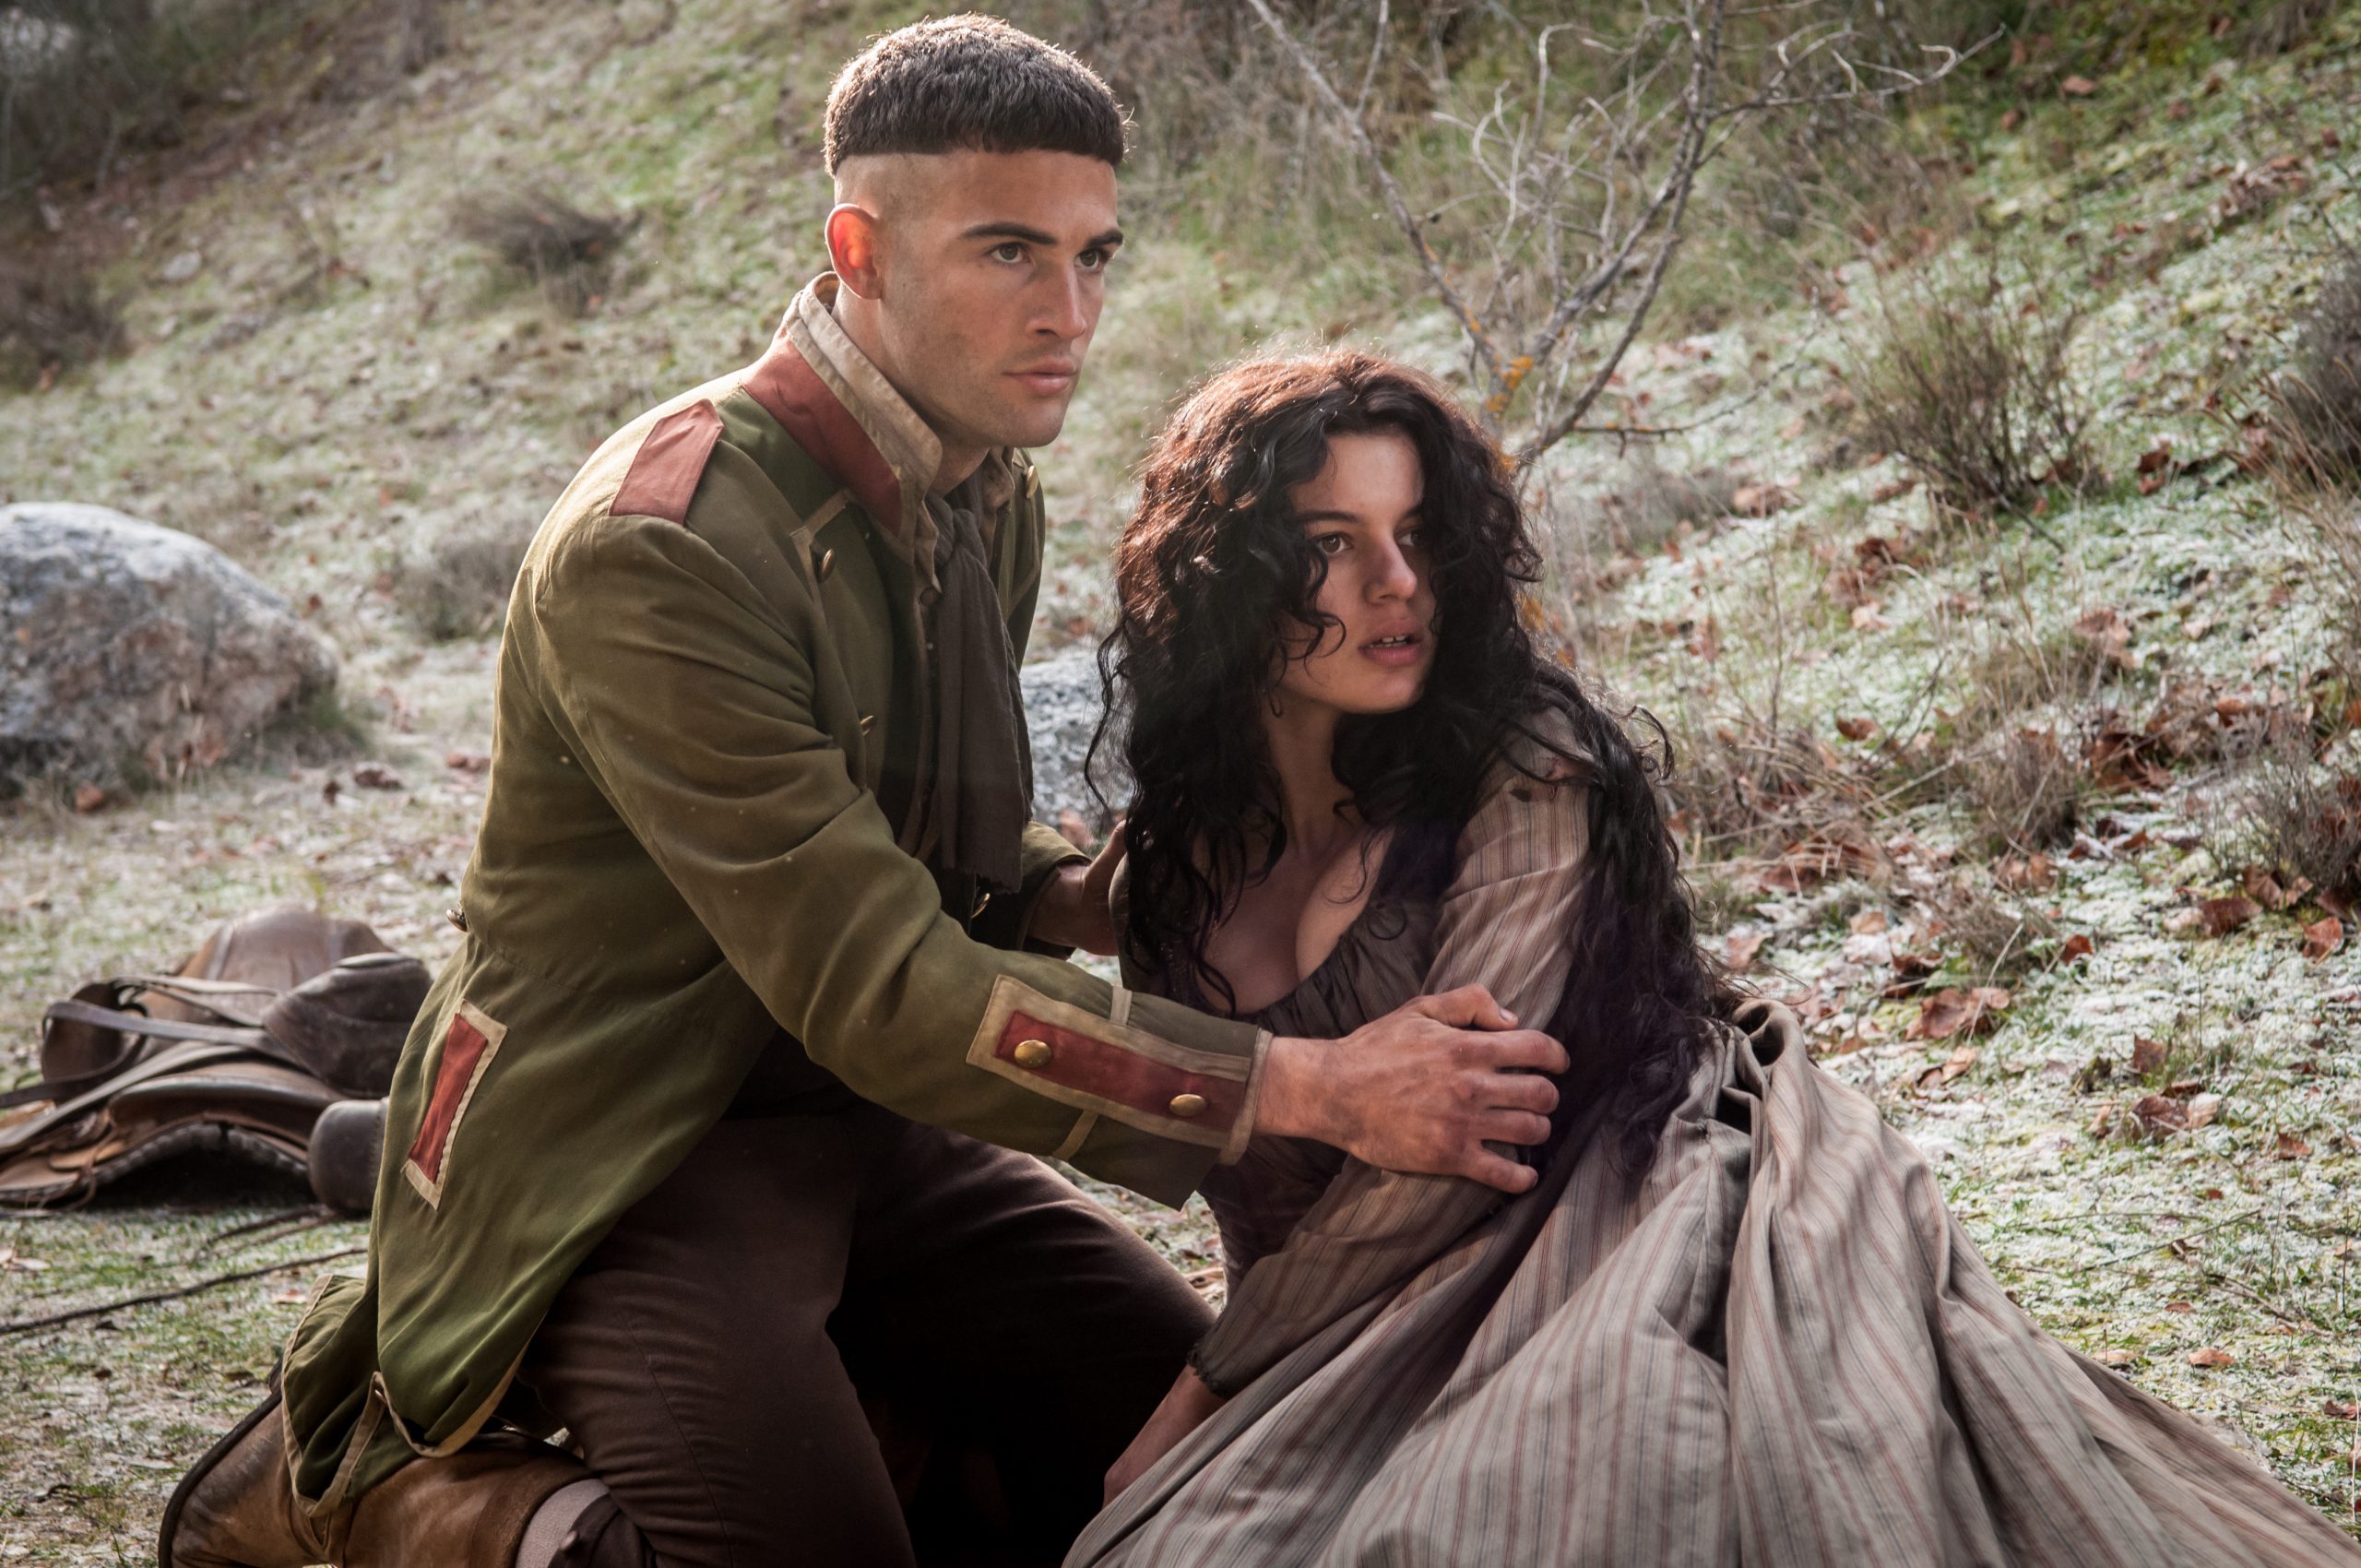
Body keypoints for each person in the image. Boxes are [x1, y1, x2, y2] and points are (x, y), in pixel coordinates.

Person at [159, 22, 1572, 1568]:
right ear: (861, 251)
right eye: (1010, 252)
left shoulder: (979, 481)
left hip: (870, 1124)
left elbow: (916, 832)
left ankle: (879, 1429)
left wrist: (1081, 895)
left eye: (1095, 255)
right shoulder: (664, 547)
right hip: (626, 1147)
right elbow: (876, 981)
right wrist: (1313, 1087)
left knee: (1213, 1466)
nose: (1070, 311)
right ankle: (351, 1497)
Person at [1067, 350, 2361, 1568]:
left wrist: (1208, 1388)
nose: (1397, 581)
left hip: (1615, 1200)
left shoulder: (1524, 763)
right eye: (1330, 546)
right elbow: (1190, 1127)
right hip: (1343, 1309)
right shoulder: (1179, 857)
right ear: (1229, 578)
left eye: (1417, 534)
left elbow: (1465, 1144)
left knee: (1544, 1496)